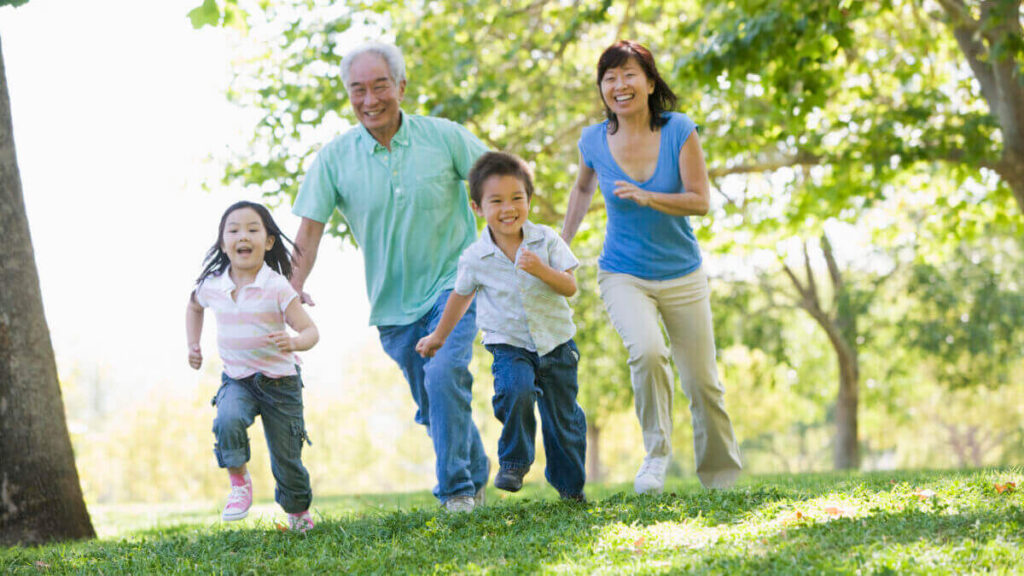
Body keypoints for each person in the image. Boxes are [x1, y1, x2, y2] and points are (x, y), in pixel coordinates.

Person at [290, 41, 490, 512]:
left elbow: (501, 180)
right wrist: (289, 292)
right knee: (433, 403)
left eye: (380, 86)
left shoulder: (445, 137)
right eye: (357, 90)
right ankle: (476, 469)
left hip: (454, 285)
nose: (369, 99)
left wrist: (513, 247)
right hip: (393, 306)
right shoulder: (334, 159)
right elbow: (308, 233)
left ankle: (457, 493)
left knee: (444, 374)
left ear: (401, 86)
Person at [561, 40, 742, 494]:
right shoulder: (593, 141)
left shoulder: (679, 130)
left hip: (682, 273)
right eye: (609, 78)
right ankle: (656, 457)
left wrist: (649, 197)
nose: (619, 86)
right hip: (624, 272)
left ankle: (720, 478)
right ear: (602, 88)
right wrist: (564, 240)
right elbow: (583, 189)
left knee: (703, 383)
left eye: (628, 75)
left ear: (649, 81)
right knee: (646, 351)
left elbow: (700, 202)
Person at [416, 152, 587, 501]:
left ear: (528, 199)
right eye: (496, 201)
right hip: (509, 344)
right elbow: (460, 298)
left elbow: (570, 287)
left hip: (556, 343)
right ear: (478, 207)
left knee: (563, 422)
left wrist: (541, 270)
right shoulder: (474, 258)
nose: (508, 208)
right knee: (515, 390)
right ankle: (513, 461)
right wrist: (438, 336)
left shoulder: (547, 241)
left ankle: (570, 490)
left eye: (516, 198)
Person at [186, 201, 319, 532]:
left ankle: (298, 512)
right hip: (237, 380)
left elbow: (310, 331)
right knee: (227, 420)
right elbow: (193, 306)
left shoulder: (276, 286)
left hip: (281, 384)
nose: (242, 235)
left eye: (252, 229)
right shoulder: (212, 284)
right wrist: (194, 343)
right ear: (222, 242)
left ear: (269, 241)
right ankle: (239, 483)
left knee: (287, 460)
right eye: (233, 230)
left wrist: (294, 342)